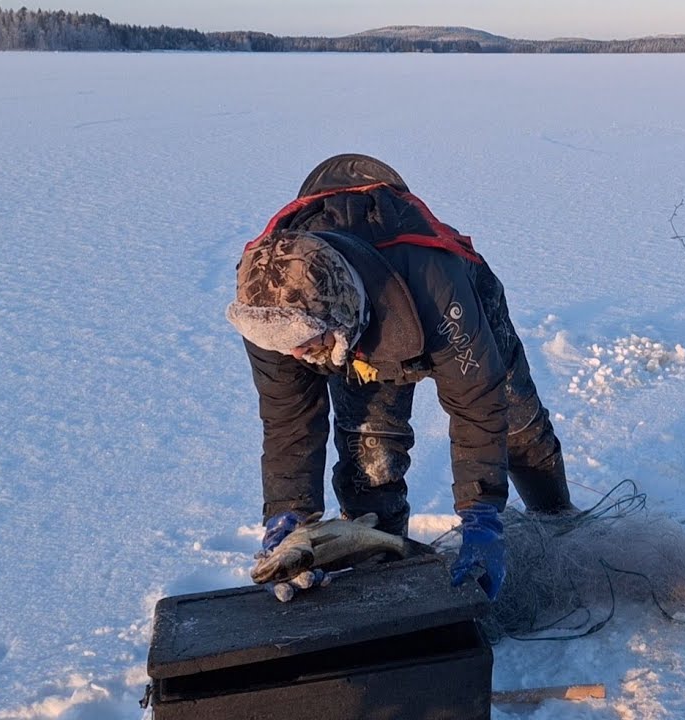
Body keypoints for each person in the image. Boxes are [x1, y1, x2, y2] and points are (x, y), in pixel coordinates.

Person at [226, 153, 574, 601]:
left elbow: (478, 405)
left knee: (516, 424)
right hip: (351, 333)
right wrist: (287, 517)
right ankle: (384, 596)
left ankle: (560, 523)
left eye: (305, 343)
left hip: (440, 304)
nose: (294, 355)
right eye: (285, 345)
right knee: (372, 462)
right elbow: (288, 424)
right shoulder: (268, 309)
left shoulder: (436, 285)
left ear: (341, 314)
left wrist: (482, 515)